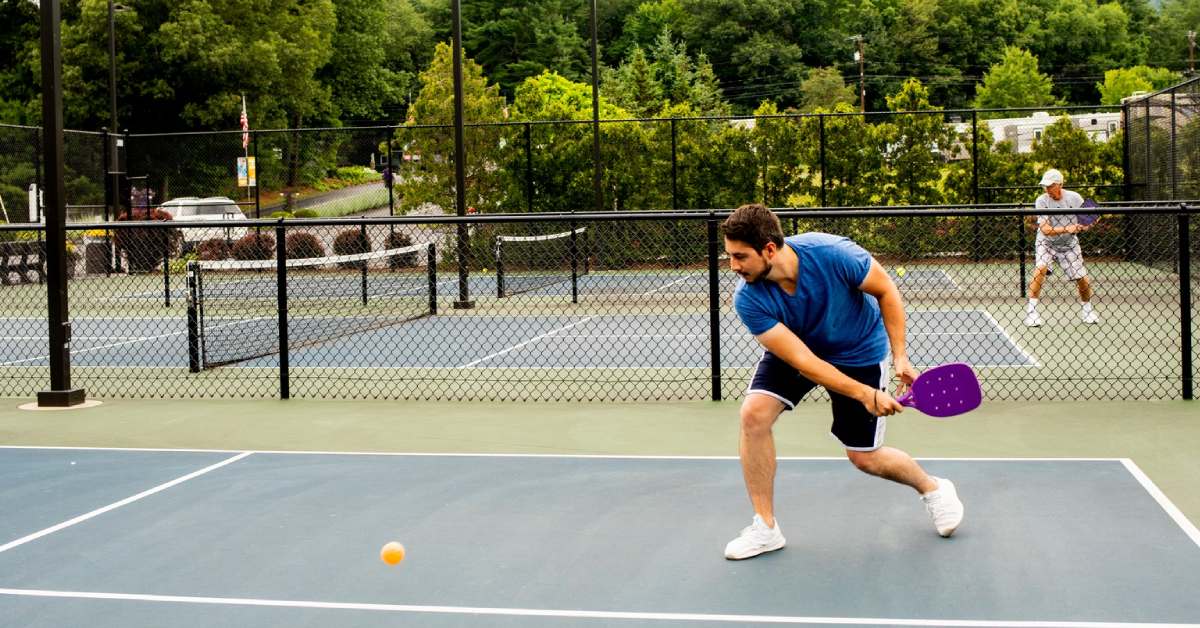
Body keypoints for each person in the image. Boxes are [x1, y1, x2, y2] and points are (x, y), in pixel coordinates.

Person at [721, 203, 964, 560]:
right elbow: (803, 361)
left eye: (740, 257)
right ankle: (765, 527)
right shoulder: (748, 299)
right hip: (801, 347)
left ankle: (933, 488)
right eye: (729, 256)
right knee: (753, 415)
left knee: (865, 458)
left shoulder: (832, 254)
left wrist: (899, 357)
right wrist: (864, 394)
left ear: (769, 249)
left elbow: (886, 291)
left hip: (859, 351)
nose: (734, 266)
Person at [1024, 169, 1098, 327]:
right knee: (1040, 269)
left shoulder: (1075, 198)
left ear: (1060, 185)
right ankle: (1031, 313)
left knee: (1081, 277)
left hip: (1069, 244)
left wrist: (1085, 226)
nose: (1047, 189)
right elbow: (1045, 230)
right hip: (1046, 243)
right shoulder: (1041, 201)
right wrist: (1069, 228)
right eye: (1045, 186)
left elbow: (1089, 218)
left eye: (1051, 186)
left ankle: (1088, 311)